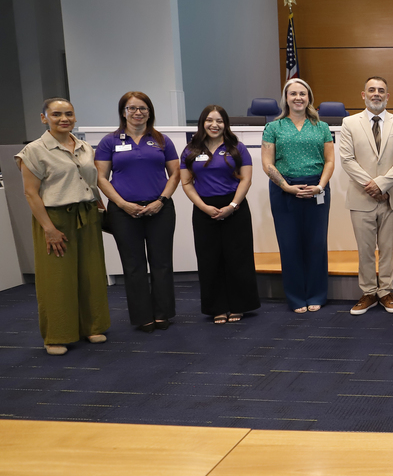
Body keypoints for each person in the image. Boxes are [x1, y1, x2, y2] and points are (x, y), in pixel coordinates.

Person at [16, 98, 110, 355]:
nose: (64, 119)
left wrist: (101, 211)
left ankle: (92, 326)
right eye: (56, 114)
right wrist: (48, 228)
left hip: (87, 214)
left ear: (75, 117)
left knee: (91, 274)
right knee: (57, 279)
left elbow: (90, 183)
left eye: (68, 113)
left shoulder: (84, 147)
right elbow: (30, 193)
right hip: (55, 218)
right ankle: (57, 335)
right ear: (44, 118)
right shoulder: (34, 150)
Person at [95, 91, 180, 332]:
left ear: (149, 112)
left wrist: (161, 200)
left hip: (159, 209)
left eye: (143, 108)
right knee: (133, 266)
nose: (137, 112)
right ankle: (143, 317)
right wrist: (123, 204)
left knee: (162, 263)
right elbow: (101, 178)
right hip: (123, 212)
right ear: (123, 112)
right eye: (131, 108)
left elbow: (175, 174)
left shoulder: (162, 140)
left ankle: (163, 313)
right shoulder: (109, 142)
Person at [337, 76, 393, 316]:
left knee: (388, 248)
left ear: (387, 96)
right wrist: (371, 186)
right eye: (371, 90)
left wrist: (381, 185)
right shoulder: (349, 123)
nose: (376, 94)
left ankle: (385, 291)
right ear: (364, 95)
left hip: (391, 197)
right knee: (365, 249)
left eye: (381, 90)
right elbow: (347, 159)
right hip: (361, 197)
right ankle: (368, 292)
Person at [180, 105, 261, 324]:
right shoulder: (190, 150)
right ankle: (217, 307)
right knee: (209, 259)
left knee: (238, 258)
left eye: (219, 121)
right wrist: (203, 207)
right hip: (204, 209)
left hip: (235, 207)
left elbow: (246, 179)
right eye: (209, 120)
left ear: (226, 124)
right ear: (202, 123)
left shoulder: (237, 147)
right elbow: (186, 183)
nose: (214, 125)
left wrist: (233, 205)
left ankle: (239, 305)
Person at [261, 78, 335, 314]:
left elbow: (330, 161)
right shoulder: (273, 127)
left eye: (302, 93)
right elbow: (267, 163)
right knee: (289, 245)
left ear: (309, 97)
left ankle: (316, 294)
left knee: (316, 244)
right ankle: (295, 297)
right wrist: (286, 187)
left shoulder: (321, 127)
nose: (298, 98)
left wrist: (320, 186)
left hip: (317, 189)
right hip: (284, 190)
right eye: (293, 93)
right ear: (286, 98)